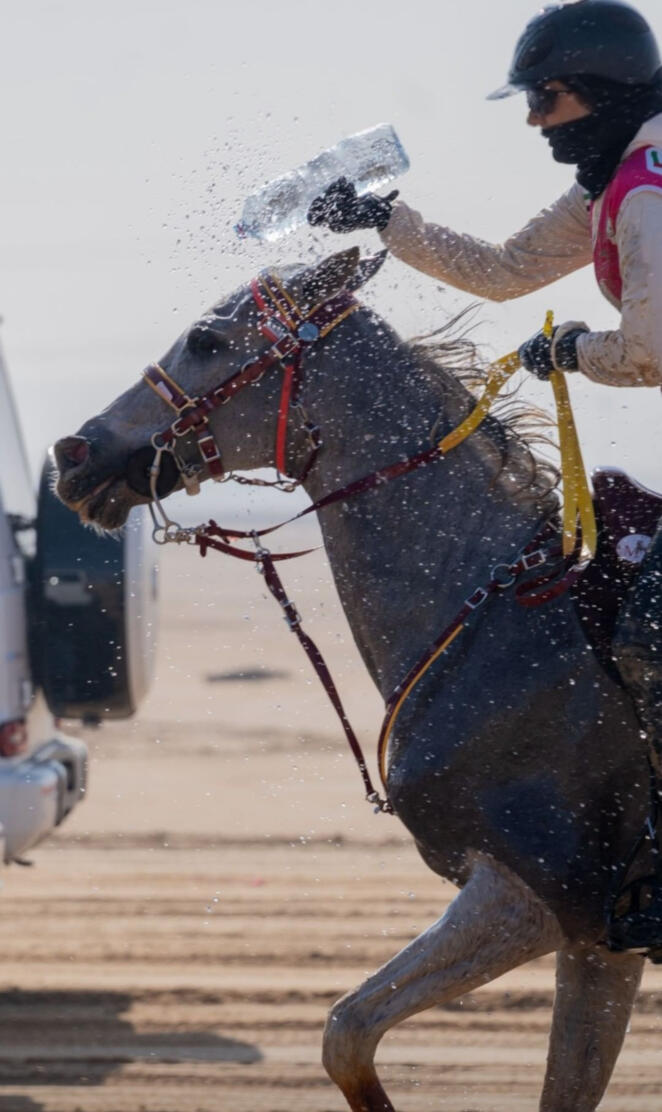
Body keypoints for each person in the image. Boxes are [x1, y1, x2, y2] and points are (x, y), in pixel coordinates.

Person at [308, 0, 662, 955]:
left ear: (599, 91)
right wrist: (385, 219)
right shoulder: (611, 180)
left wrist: (577, 354)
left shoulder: (644, 188)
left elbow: (655, 346)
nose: (533, 120)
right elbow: (504, 271)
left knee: (650, 618)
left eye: (544, 99)